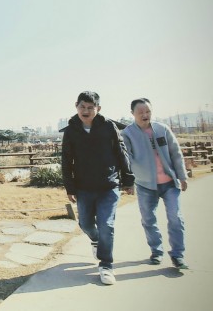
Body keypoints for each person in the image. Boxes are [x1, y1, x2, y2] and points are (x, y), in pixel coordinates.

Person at [62, 91, 134, 285]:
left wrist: (128, 180)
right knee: (86, 224)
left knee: (106, 225)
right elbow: (66, 160)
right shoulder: (71, 131)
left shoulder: (108, 126)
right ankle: (95, 240)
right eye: (82, 107)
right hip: (83, 187)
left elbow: (121, 152)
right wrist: (70, 187)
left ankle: (106, 265)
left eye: (90, 107)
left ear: (98, 109)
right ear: (76, 106)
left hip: (108, 186)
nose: (86, 111)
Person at [121, 98, 188, 269]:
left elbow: (176, 153)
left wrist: (182, 176)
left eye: (148, 111)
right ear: (132, 114)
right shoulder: (127, 134)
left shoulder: (162, 129)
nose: (145, 115)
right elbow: (126, 160)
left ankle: (178, 255)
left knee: (175, 217)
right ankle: (156, 251)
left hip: (169, 183)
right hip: (145, 185)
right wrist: (129, 182)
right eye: (140, 112)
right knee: (148, 220)